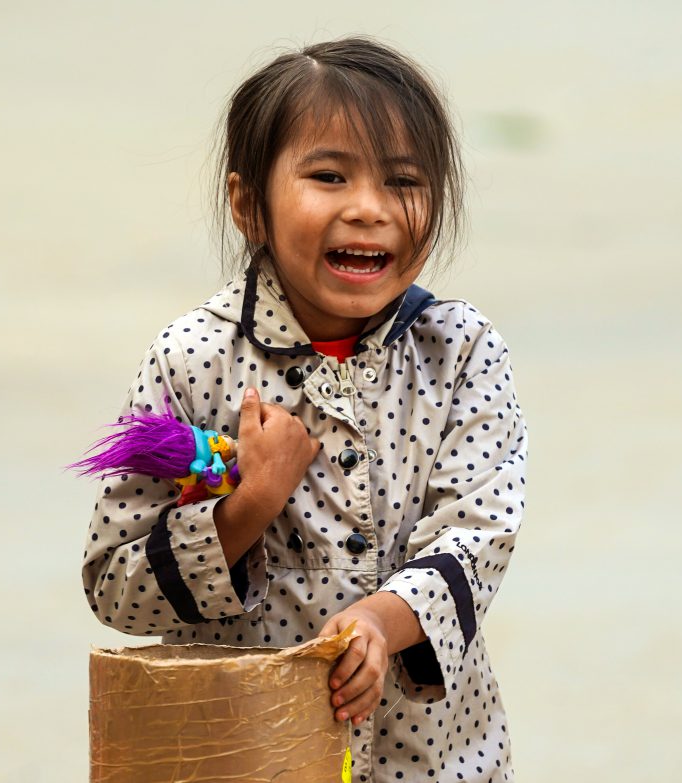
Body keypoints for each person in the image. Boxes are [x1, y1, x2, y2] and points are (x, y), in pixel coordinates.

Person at [81, 36, 527, 783]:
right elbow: (114, 582)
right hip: (243, 759)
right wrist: (249, 506)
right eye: (328, 175)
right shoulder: (192, 361)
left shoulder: (460, 352)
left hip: (433, 762)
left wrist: (383, 622)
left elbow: (479, 531)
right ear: (249, 203)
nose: (369, 209)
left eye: (404, 182)